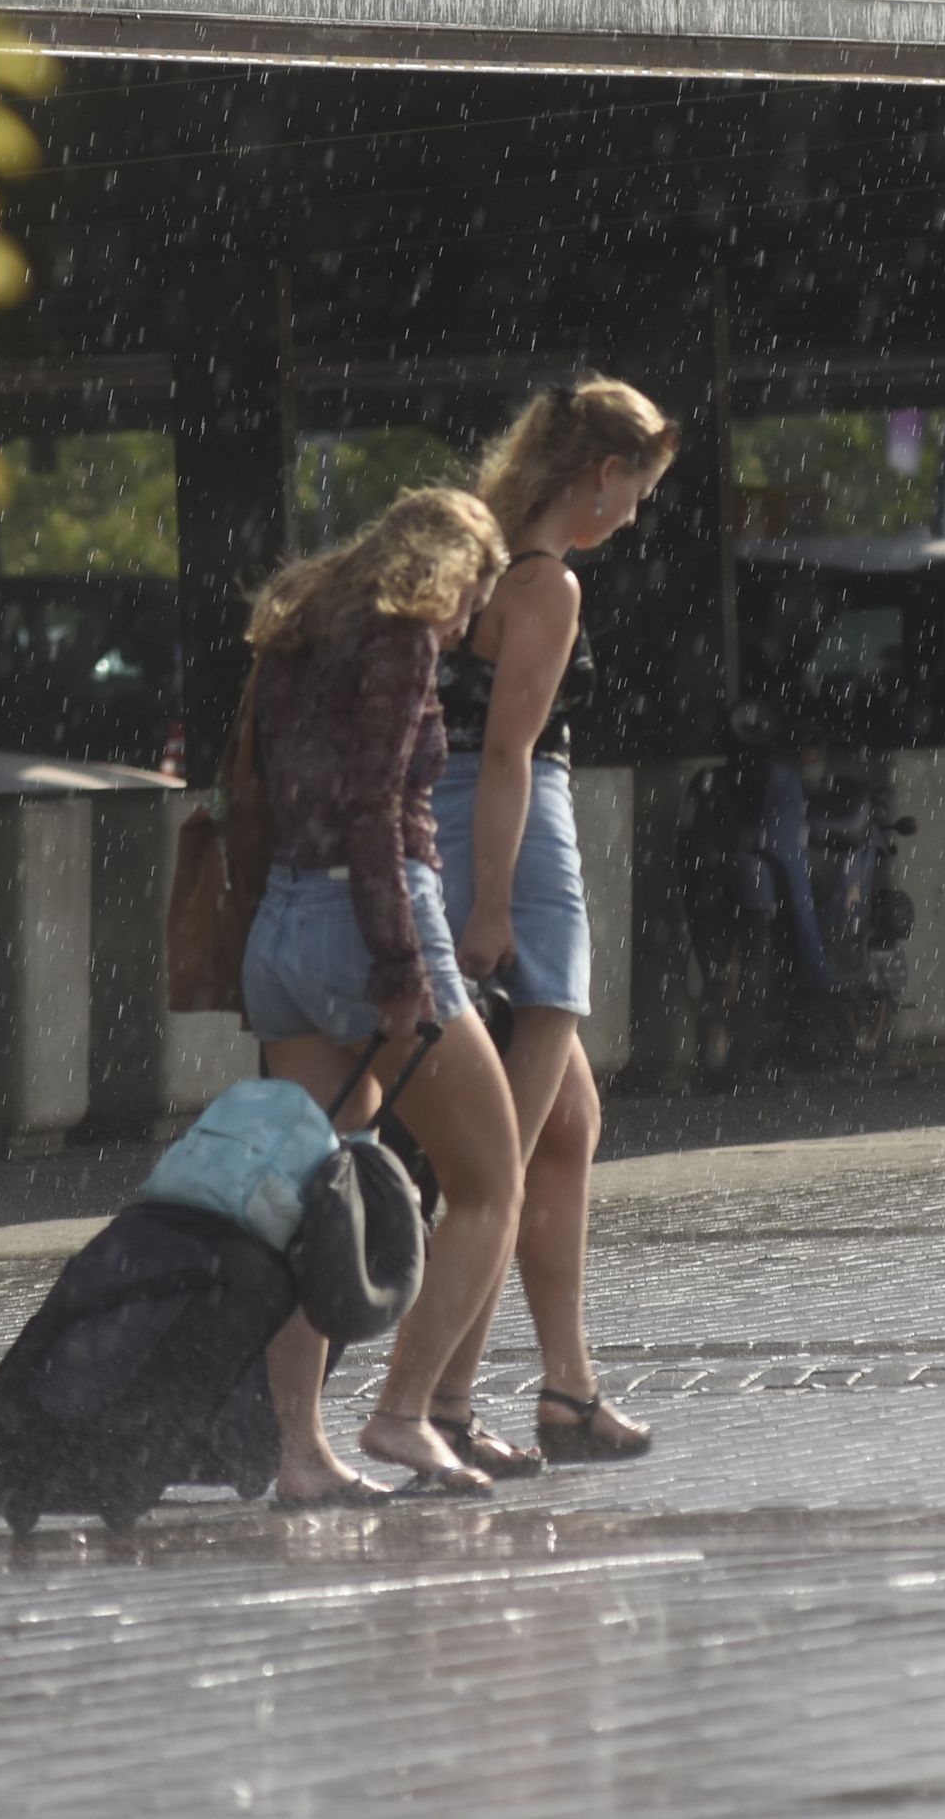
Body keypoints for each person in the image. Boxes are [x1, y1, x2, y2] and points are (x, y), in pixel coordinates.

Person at [240, 486, 523, 1506]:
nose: (468, 622)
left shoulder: (301, 628)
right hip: (366, 923)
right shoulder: (400, 638)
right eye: (474, 595)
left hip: (280, 925)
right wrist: (400, 968)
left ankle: (298, 1450)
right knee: (490, 1179)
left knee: (313, 1191)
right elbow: (372, 806)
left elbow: (273, 787)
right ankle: (404, 1410)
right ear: (450, 571)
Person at [425, 379, 681, 1472]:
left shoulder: (476, 559)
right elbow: (507, 754)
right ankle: (439, 1401)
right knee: (502, 1159)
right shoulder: (546, 584)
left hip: (455, 827)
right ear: (600, 475)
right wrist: (494, 901)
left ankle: (567, 1385)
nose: (636, 513)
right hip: (520, 847)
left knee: (568, 1121)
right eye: (639, 490)